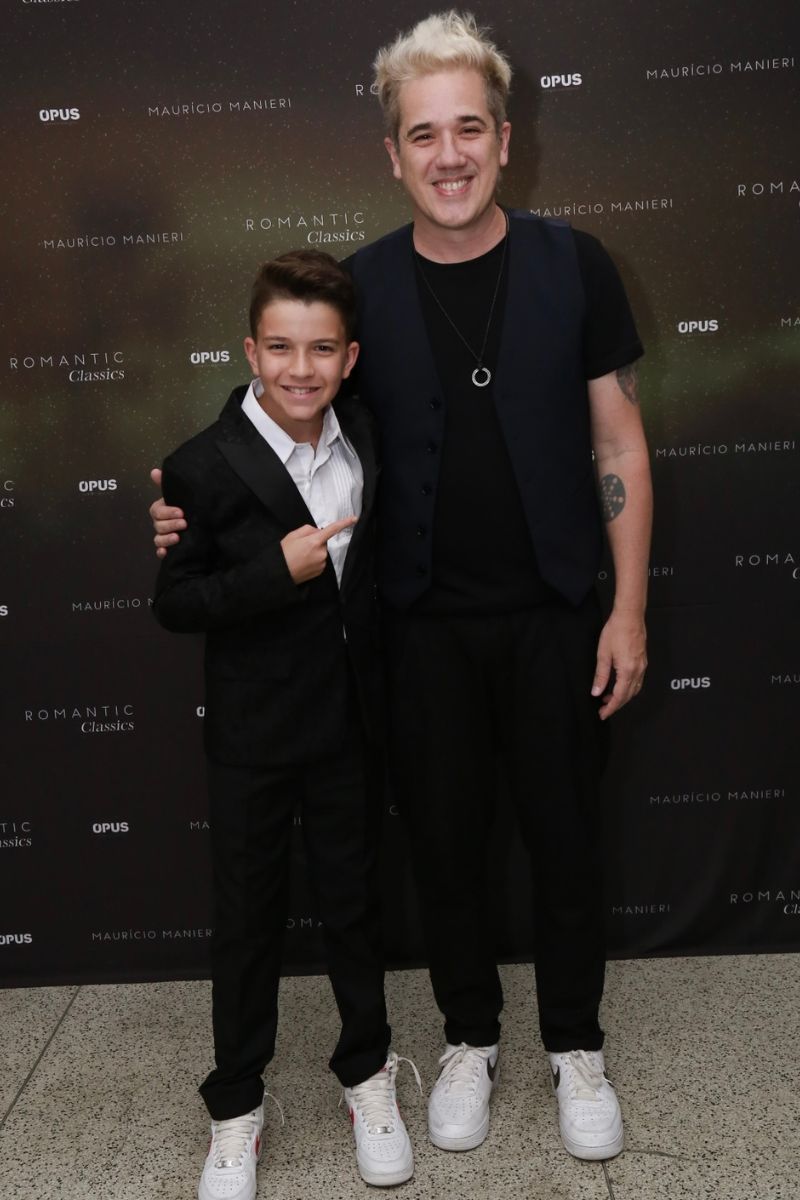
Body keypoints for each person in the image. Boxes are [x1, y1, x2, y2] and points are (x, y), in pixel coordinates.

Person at [151, 10, 652, 1168]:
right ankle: (469, 1037)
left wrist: (625, 609)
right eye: (422, 133)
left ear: (505, 139)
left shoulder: (574, 265)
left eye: (468, 128)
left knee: (566, 839)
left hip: (555, 615)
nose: (448, 153)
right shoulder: (362, 287)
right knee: (443, 847)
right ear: (391, 153)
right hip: (412, 627)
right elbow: (274, 406)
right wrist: (186, 500)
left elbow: (618, 443)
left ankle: (574, 1044)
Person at [152, 249, 418, 1200]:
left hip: (349, 725)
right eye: (279, 348)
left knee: (355, 906)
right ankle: (235, 1106)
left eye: (321, 349)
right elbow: (175, 603)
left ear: (350, 358)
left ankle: (367, 1074)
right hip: (252, 737)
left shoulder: (369, 436)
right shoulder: (200, 463)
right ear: (249, 351)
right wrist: (277, 571)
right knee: (247, 921)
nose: (300, 369)